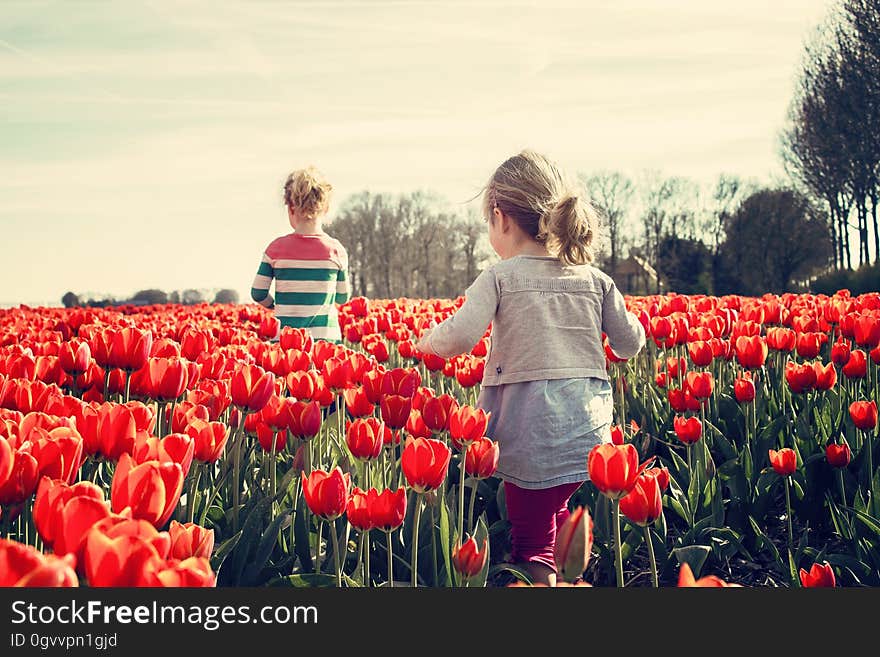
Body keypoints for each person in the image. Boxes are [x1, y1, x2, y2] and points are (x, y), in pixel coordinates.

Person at [415, 150, 645, 586]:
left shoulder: (500, 277)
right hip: (588, 433)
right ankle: (565, 575)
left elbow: (460, 338)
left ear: (501, 218)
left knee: (533, 542)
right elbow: (630, 343)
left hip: (530, 431)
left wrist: (427, 340)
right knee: (556, 513)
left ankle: (544, 582)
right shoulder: (595, 279)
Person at [251, 166, 351, 343]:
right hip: (325, 341)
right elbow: (343, 297)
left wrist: (275, 305)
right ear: (326, 208)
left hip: (286, 341)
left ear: (290, 208)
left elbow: (258, 293)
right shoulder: (336, 250)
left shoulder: (276, 249)